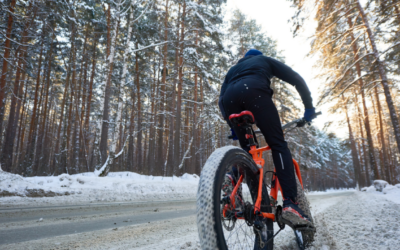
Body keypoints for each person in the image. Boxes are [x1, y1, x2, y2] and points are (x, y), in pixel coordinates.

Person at [219, 49, 316, 227]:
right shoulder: (264, 60)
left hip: (229, 100)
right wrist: (309, 108)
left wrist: (231, 124)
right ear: (258, 56)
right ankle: (291, 205)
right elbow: (296, 78)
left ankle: (232, 178)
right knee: (278, 144)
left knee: (247, 154)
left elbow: (221, 98)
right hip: (254, 91)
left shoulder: (233, 69)